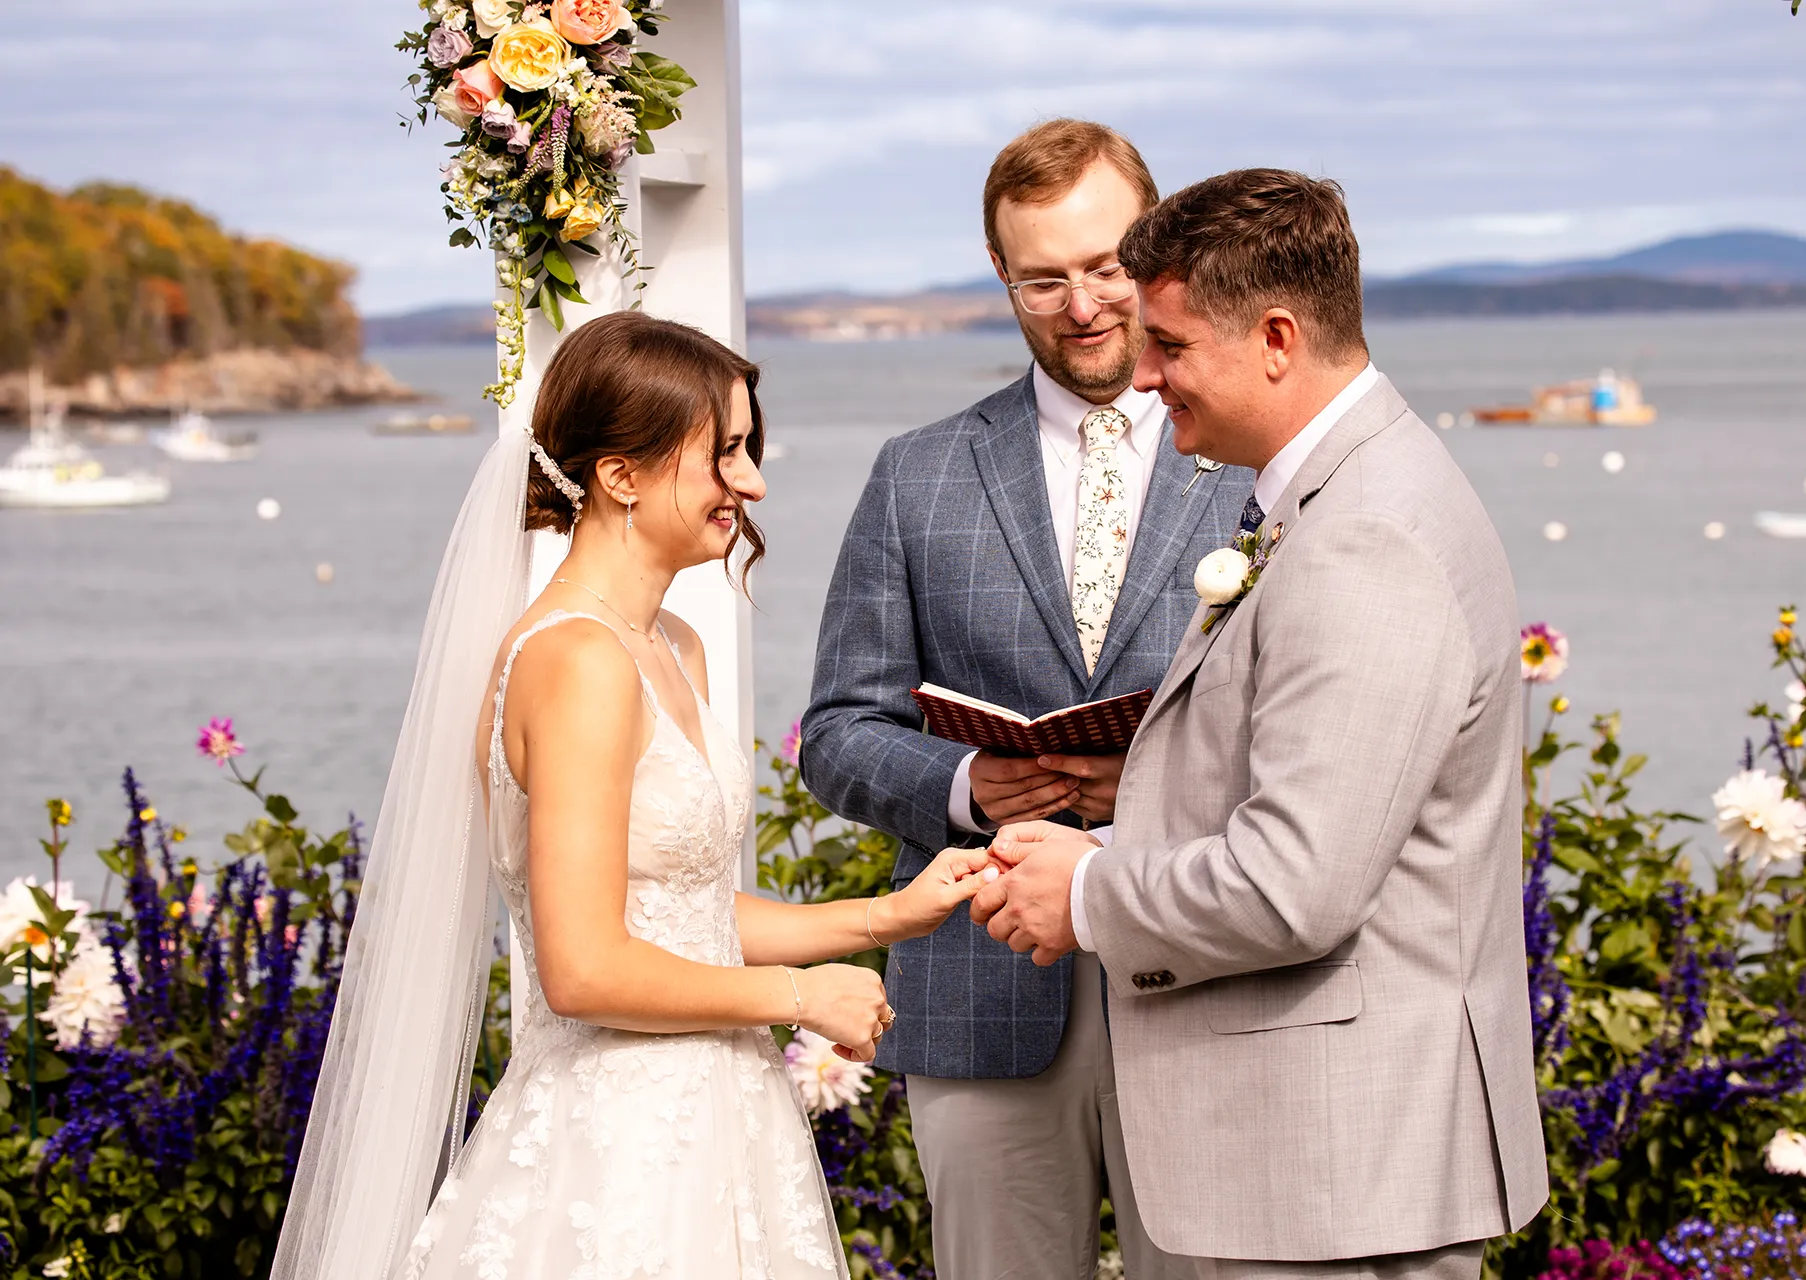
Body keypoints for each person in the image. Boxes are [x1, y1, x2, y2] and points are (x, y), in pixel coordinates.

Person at [271, 313, 996, 1280]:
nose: (752, 483)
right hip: (619, 1142)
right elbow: (582, 967)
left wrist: (891, 915)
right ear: (621, 475)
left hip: (718, 1115)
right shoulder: (578, 661)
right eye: (725, 453)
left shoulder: (670, 647)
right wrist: (799, 998)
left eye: (749, 449)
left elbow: (681, 910)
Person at [971, 170, 1551, 1280]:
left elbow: (1299, 882)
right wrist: (1096, 847)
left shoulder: (1366, 537)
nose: (1143, 375)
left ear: (1278, 336)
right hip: (1327, 1168)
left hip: (1343, 1178)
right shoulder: (1335, 499)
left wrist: (1088, 894)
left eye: (1172, 346)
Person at [801, 120, 1250, 1280]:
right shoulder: (917, 472)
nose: (1083, 305)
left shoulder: (1260, 461)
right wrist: (963, 784)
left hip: (1206, 975)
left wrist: (1153, 774)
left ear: (1157, 250)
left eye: (1106, 267)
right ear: (1002, 275)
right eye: (1044, 277)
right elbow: (839, 730)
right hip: (980, 988)